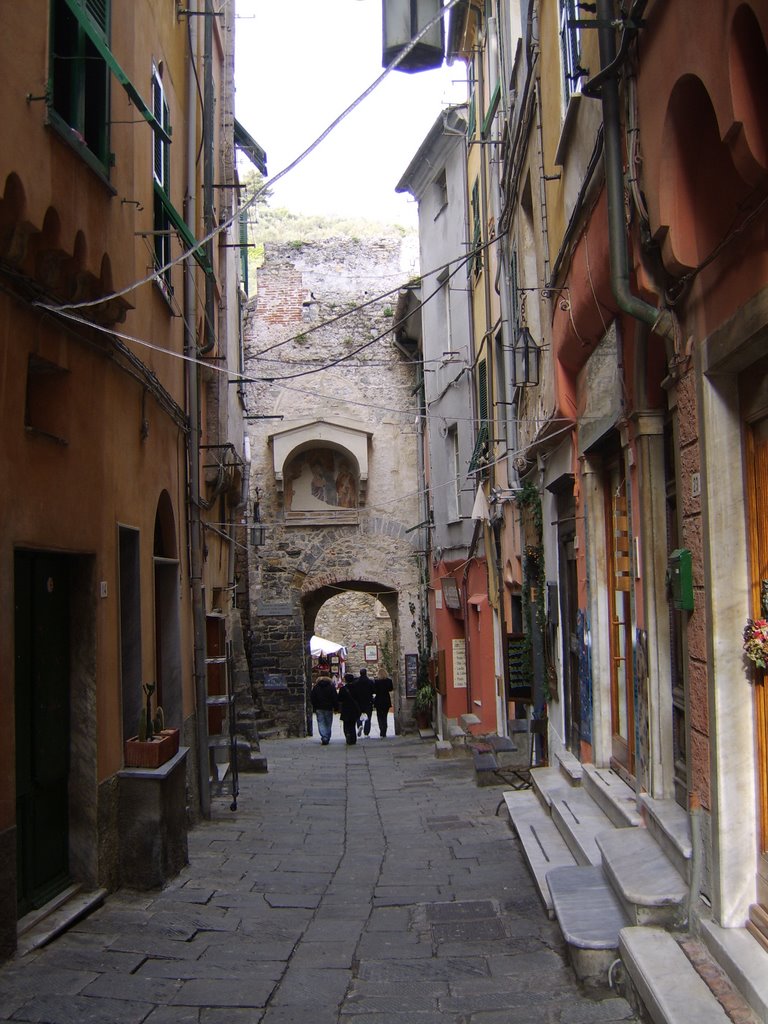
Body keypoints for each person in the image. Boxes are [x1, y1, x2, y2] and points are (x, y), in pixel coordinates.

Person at [310, 667, 338, 745]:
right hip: (328, 707)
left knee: (321, 722)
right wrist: (336, 707)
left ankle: (324, 736)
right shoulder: (331, 686)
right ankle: (327, 736)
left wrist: (314, 706)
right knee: (328, 723)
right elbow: (334, 697)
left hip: (319, 707)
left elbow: (312, 697)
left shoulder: (316, 687)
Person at [349, 667, 374, 737]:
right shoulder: (370, 682)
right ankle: (366, 732)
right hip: (368, 701)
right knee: (368, 717)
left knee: (358, 716)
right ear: (366, 673)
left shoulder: (356, 682)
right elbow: (373, 690)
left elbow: (353, 692)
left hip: (358, 702)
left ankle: (359, 725)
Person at [337, 673, 360, 745]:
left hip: (346, 708)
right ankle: (353, 738)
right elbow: (359, 698)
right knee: (352, 724)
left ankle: (347, 734)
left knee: (346, 723)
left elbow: (340, 699)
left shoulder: (343, 689)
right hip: (354, 708)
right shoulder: (356, 688)